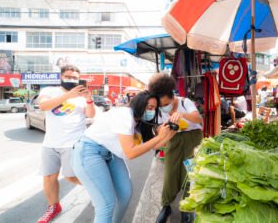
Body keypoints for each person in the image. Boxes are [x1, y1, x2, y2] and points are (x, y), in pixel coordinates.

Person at [72, 91, 176, 223]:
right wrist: (160, 136)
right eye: (149, 107)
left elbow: (155, 146)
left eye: (154, 109)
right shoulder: (124, 114)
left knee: (125, 193)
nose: (152, 111)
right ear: (139, 104)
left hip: (109, 153)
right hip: (89, 152)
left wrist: (171, 133)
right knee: (106, 204)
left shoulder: (139, 122)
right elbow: (131, 153)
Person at [37, 65, 96, 223]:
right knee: (49, 177)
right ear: (61, 77)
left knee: (71, 176)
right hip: (50, 143)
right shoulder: (49, 91)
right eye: (68, 76)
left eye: (75, 77)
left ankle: (100, 192)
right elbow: (43, 106)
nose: (72, 79)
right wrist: (68, 95)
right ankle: (53, 207)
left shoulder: (81, 95)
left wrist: (89, 99)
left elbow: (91, 115)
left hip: (73, 142)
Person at [148, 74, 203, 223]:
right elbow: (158, 129)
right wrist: (162, 128)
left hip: (193, 137)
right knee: (170, 172)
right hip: (173, 137)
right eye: (162, 105)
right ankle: (166, 206)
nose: (165, 107)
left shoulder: (185, 102)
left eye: (167, 104)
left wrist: (183, 114)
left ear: (173, 97)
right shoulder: (159, 110)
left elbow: (199, 119)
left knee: (189, 173)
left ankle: (187, 209)